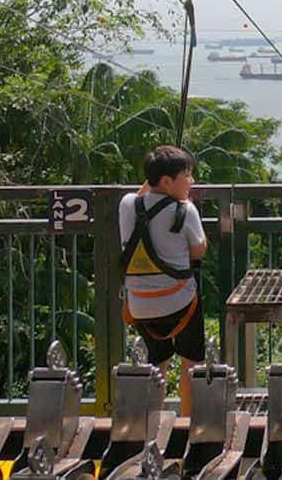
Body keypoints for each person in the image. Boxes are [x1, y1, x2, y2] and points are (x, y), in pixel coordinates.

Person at [119, 144, 207, 414]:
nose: (192, 181)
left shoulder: (127, 204)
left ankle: (153, 422)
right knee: (191, 361)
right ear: (168, 181)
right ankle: (186, 421)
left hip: (139, 305)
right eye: (187, 176)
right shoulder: (185, 211)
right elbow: (199, 250)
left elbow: (143, 193)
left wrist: (154, 180)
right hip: (179, 302)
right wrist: (187, 205)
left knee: (157, 362)